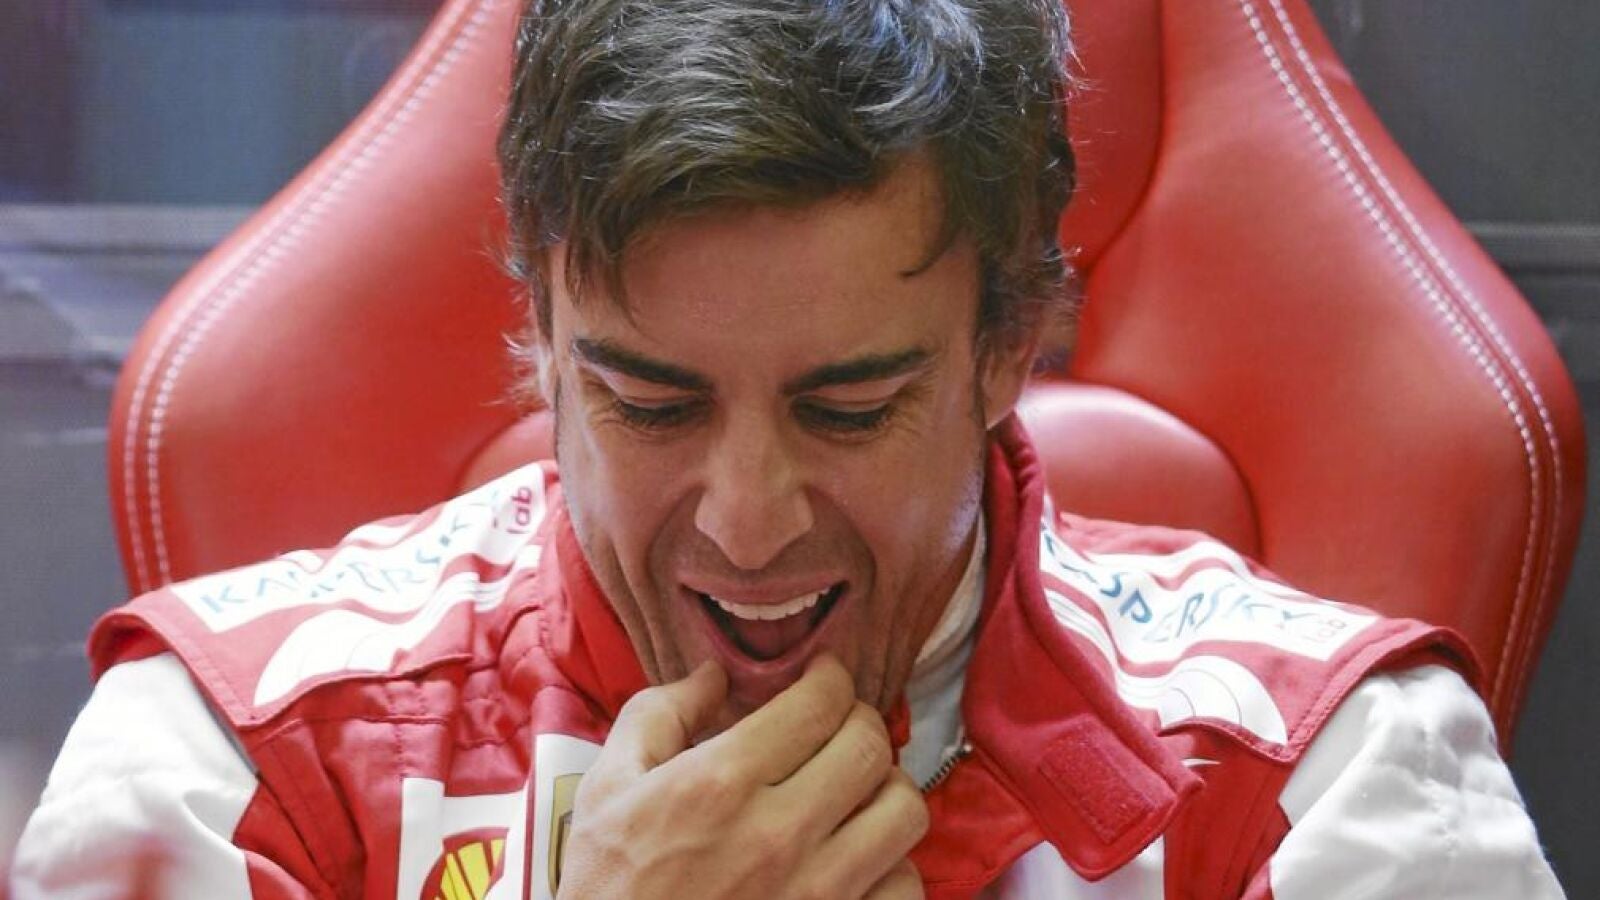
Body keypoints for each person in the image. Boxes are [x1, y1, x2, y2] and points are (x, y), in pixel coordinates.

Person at [11, 0, 1565, 897]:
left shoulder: (1334, 774)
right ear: (539, 336)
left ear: (1008, 347)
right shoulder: (224, 756)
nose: (748, 525)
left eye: (848, 409)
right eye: (651, 404)